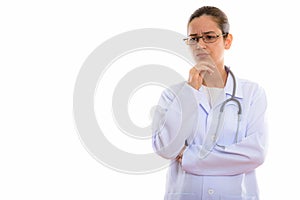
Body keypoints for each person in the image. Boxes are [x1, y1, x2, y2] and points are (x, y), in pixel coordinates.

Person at [152, 6, 268, 200]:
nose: (201, 45)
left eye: (209, 37)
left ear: (227, 40)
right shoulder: (173, 95)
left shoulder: (252, 94)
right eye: (194, 38)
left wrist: (190, 157)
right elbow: (166, 149)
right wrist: (189, 93)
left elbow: (255, 154)